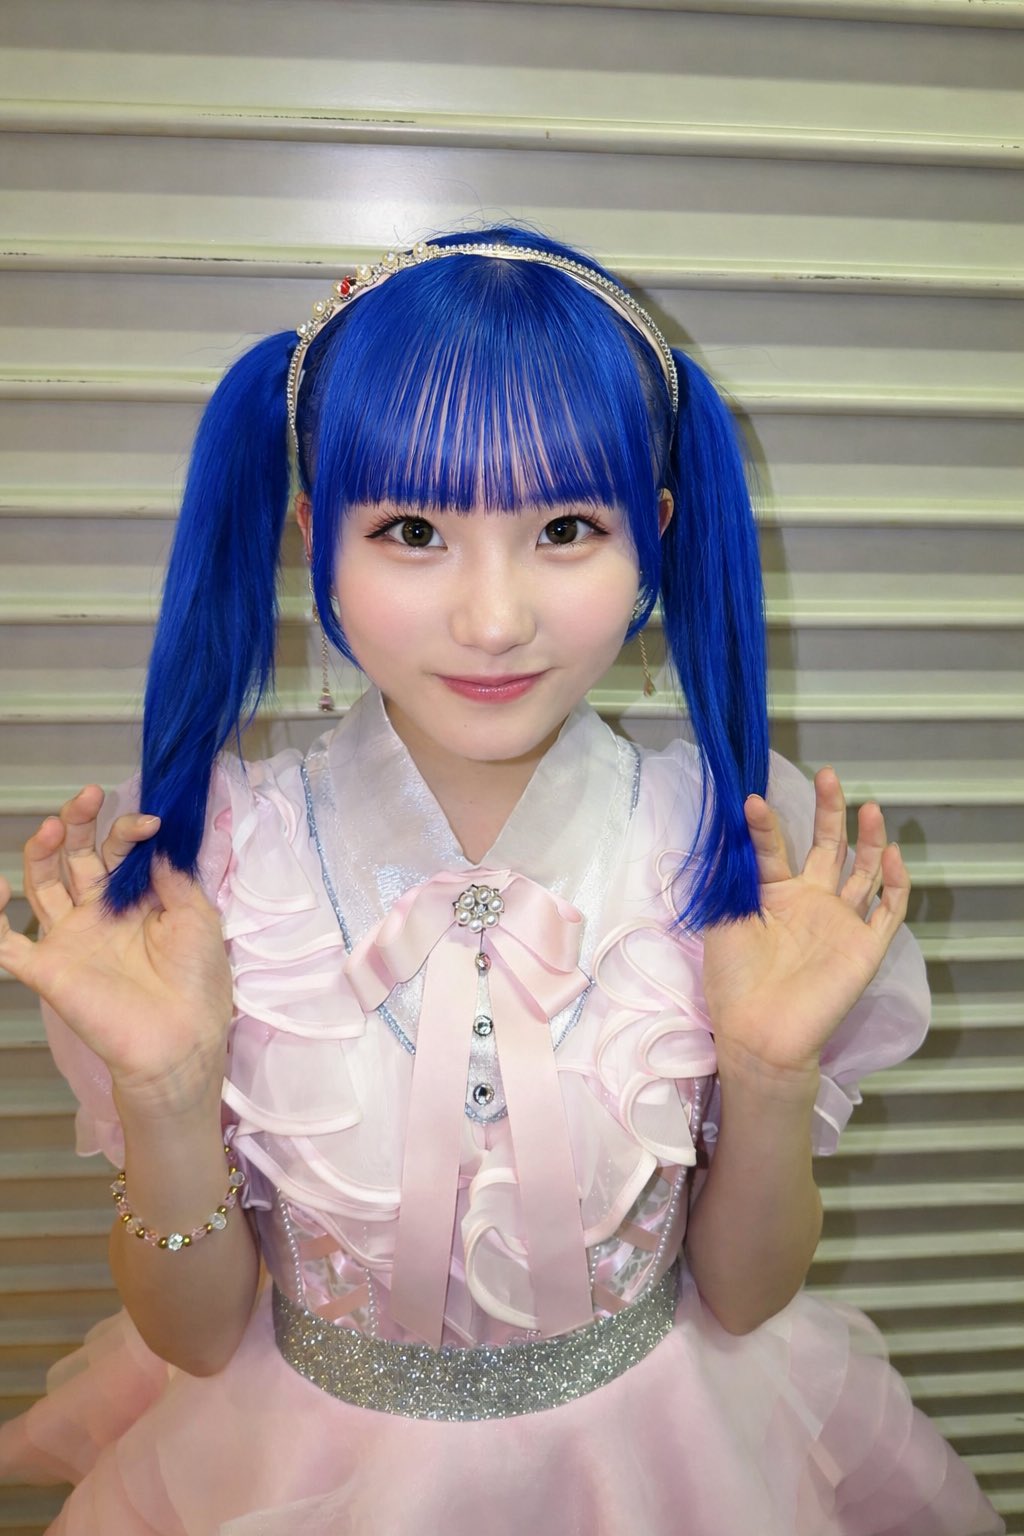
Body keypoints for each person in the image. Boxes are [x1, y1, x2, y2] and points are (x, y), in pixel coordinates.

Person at [0, 226, 1003, 1536]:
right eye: (413, 529)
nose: (493, 620)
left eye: (565, 529)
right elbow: (193, 1341)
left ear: (653, 540)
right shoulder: (209, 874)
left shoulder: (736, 850)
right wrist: (168, 1095)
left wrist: (768, 1074)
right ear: (316, 539)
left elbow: (746, 1299)